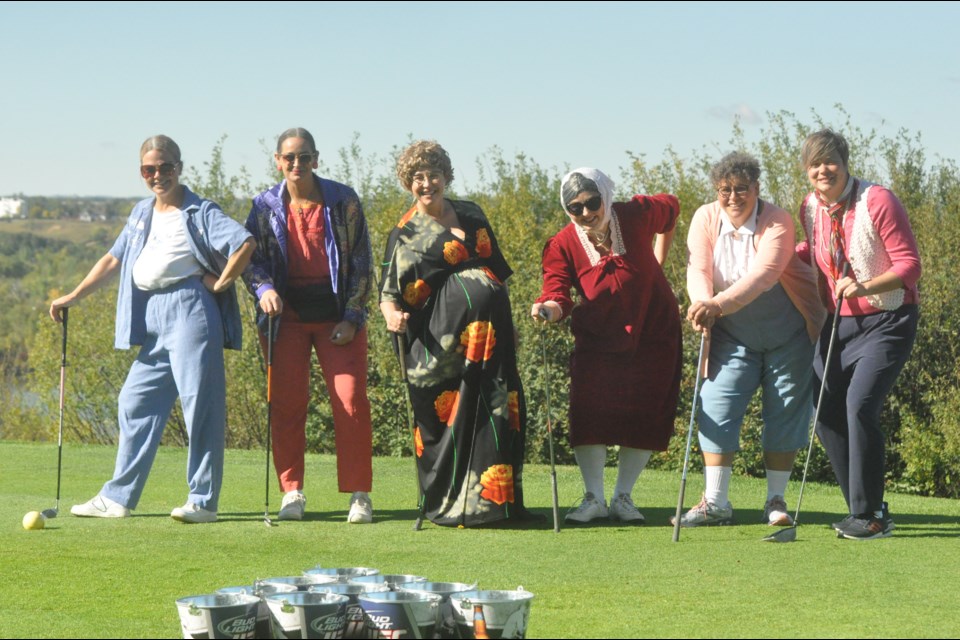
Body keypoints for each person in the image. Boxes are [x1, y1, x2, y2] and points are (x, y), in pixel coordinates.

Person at [49, 135, 255, 524]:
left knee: (200, 408)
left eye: (165, 167)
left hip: (191, 309)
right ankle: (118, 497)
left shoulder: (199, 210)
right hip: (154, 315)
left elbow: (244, 242)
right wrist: (73, 296)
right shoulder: (142, 212)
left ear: (179, 167)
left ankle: (203, 501)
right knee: (135, 401)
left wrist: (222, 283)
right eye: (149, 169)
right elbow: (113, 259)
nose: (158, 175)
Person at [380, 140, 534, 527]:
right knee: (455, 415)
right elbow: (388, 294)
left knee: (496, 412)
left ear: (446, 177)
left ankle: (495, 508)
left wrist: (509, 323)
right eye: (418, 177)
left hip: (492, 339)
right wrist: (391, 316)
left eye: (433, 174)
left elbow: (496, 271)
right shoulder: (403, 233)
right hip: (442, 345)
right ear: (407, 183)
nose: (427, 183)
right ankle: (452, 505)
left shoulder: (471, 213)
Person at [673, 152, 825, 528]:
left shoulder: (778, 221)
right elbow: (698, 268)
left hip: (789, 331)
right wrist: (700, 304)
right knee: (716, 403)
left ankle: (775, 501)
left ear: (757, 188)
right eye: (725, 190)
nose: (733, 196)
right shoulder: (705, 217)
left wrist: (715, 305)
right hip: (731, 333)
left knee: (786, 412)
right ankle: (716, 502)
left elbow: (764, 275)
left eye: (742, 189)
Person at [531, 168, 682, 524]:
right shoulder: (562, 245)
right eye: (575, 207)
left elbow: (672, 208)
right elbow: (557, 293)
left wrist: (659, 259)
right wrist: (549, 310)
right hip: (598, 336)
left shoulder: (636, 214)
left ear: (605, 196)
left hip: (654, 330)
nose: (586, 213)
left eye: (592, 202)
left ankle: (623, 497)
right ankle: (594, 498)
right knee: (589, 410)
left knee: (646, 411)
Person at [242, 127, 374, 524]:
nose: (296, 164)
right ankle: (291, 492)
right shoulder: (264, 206)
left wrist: (353, 317)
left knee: (350, 402)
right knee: (286, 405)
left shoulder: (343, 200)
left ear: (316, 159)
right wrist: (262, 287)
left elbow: (362, 263)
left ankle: (359, 494)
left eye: (304, 157)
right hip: (286, 322)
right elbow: (249, 258)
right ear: (278, 161)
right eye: (289, 157)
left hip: (338, 319)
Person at [797, 129, 921, 540]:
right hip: (840, 323)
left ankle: (872, 516)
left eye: (829, 161)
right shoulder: (810, 208)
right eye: (814, 164)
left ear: (846, 162)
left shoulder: (878, 200)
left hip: (888, 318)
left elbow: (909, 267)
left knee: (859, 405)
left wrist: (864, 286)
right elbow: (817, 255)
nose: (822, 170)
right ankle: (862, 507)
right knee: (825, 409)